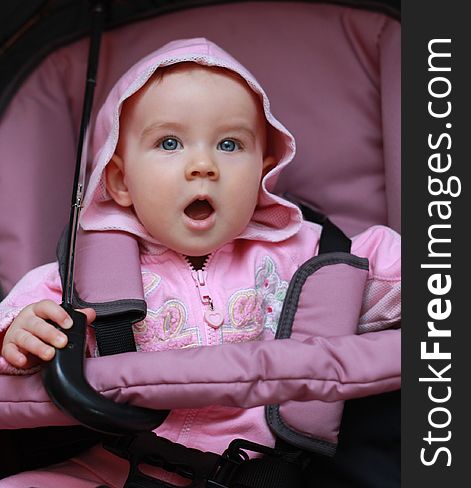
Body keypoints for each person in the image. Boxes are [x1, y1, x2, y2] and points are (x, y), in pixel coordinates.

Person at [0, 38, 400, 487]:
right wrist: (18, 337)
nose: (203, 165)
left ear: (264, 169)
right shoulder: (81, 273)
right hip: (117, 464)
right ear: (120, 180)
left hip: (263, 472)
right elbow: (13, 339)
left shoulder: (307, 252)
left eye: (230, 144)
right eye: (170, 142)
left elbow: (401, 271)